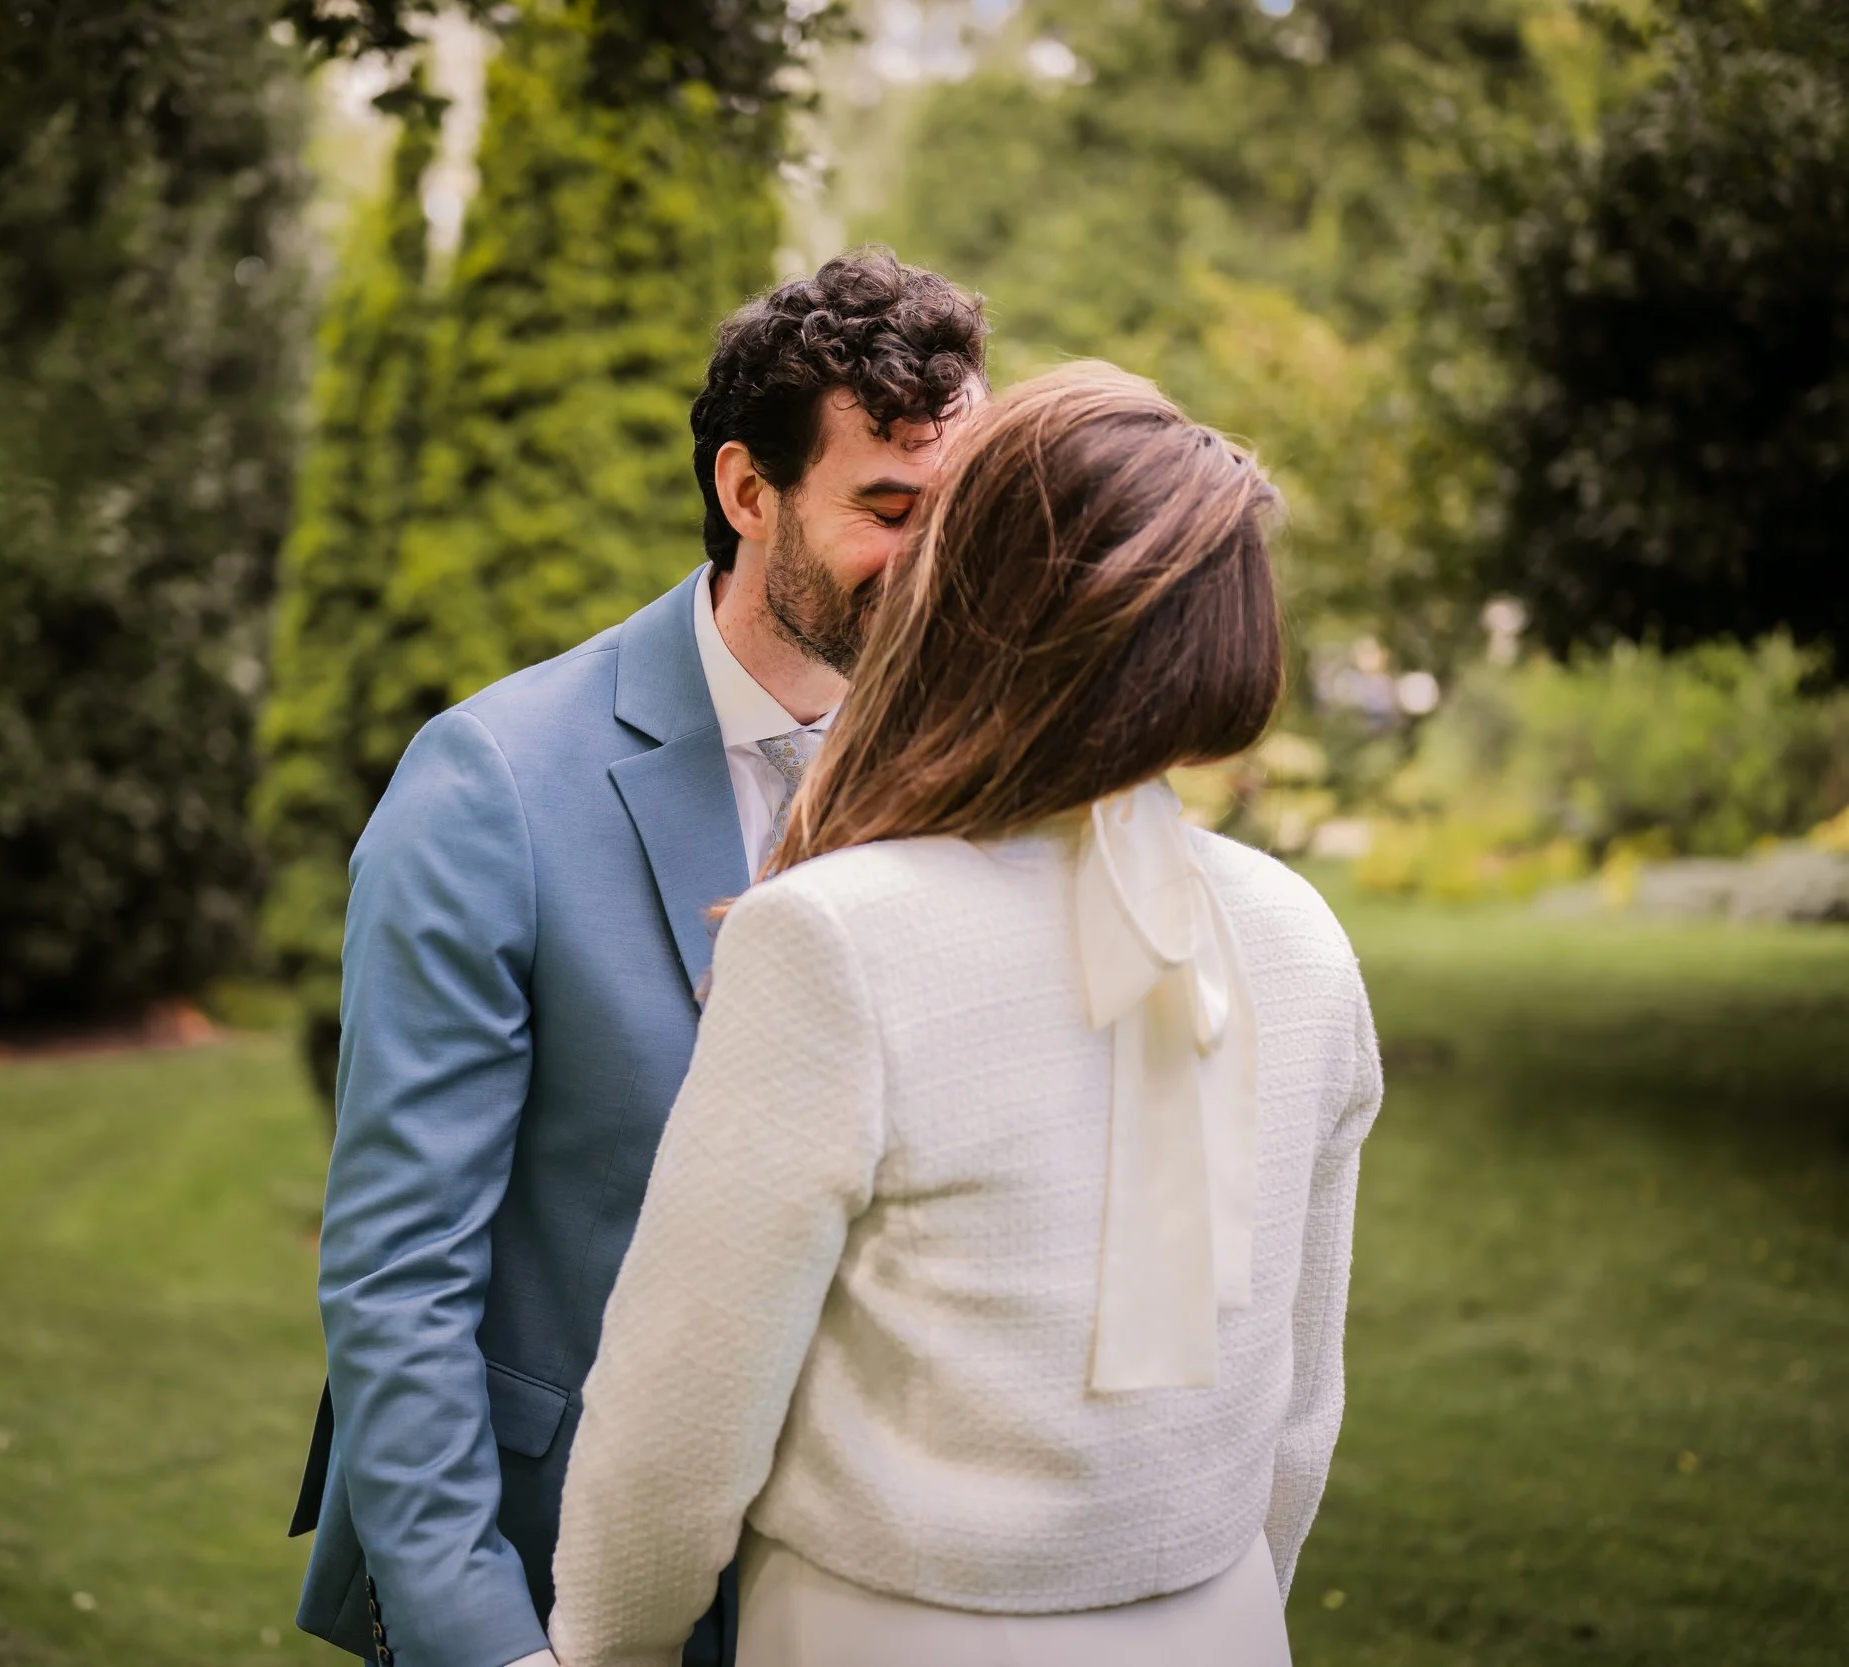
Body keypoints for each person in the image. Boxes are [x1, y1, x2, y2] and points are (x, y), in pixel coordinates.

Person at [545, 362, 1385, 1667]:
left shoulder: (837, 939)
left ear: (966, 602)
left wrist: (612, 1648)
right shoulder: (1299, 937)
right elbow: (1299, 1407)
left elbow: (681, 1412)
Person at [289, 250, 991, 1667]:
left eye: (955, 512)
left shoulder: (971, 777)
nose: (932, 564)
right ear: (748, 492)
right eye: (886, 510)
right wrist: (486, 1644)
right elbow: (399, 1278)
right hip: (553, 1568)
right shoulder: (488, 786)